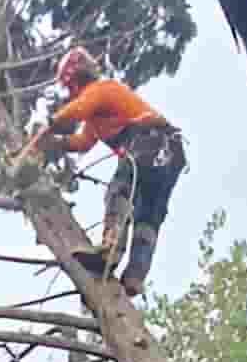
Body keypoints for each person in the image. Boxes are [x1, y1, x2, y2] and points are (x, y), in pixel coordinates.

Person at [28, 46, 187, 298]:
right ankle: (135, 275)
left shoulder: (101, 90)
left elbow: (76, 111)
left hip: (151, 139)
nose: (71, 92)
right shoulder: (96, 117)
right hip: (171, 153)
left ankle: (110, 250)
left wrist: (45, 131)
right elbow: (83, 143)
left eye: (71, 86)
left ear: (76, 80)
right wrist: (55, 143)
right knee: (148, 215)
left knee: (119, 189)